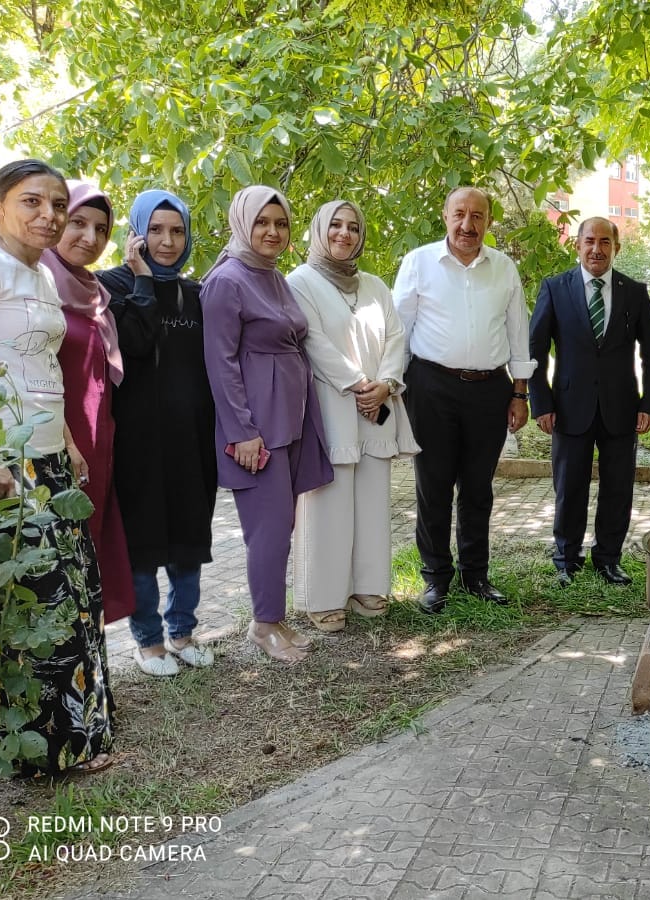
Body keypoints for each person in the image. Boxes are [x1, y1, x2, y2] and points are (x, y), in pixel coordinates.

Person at [0, 159, 113, 774]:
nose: (50, 216)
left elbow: (41, 368)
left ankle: (78, 739)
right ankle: (40, 755)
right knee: (34, 608)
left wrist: (66, 438)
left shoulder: (39, 274)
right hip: (3, 464)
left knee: (73, 600)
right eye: (33, 202)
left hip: (47, 460)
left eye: (57, 205)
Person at [203, 185, 333, 662]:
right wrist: (242, 431)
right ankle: (263, 624)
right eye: (262, 222)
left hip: (291, 419)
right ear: (242, 223)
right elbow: (220, 363)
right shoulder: (227, 280)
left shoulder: (273, 277)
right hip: (257, 428)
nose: (272, 232)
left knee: (283, 525)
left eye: (280, 224)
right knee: (269, 528)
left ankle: (274, 616)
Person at [393, 187, 535, 611]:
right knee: (432, 486)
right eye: (460, 214)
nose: (467, 225)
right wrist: (395, 388)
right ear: (445, 215)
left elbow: (518, 335)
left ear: (489, 221)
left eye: (477, 216)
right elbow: (398, 330)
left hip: (490, 390)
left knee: (478, 489)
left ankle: (476, 575)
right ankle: (436, 578)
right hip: (430, 386)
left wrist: (519, 393)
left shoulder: (504, 268)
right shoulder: (419, 262)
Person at [99, 189, 218, 676]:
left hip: (191, 439)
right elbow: (132, 344)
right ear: (137, 233)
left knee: (189, 537)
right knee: (143, 544)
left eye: (177, 231)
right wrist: (144, 282)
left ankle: (183, 631)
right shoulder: (111, 285)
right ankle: (148, 641)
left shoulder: (197, 294)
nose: (167, 241)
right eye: (156, 230)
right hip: (137, 443)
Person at [288, 200, 419, 631]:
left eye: (353, 227)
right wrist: (359, 383)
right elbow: (313, 340)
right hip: (331, 405)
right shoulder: (300, 282)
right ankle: (323, 597)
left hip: (376, 407)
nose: (344, 234)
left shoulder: (376, 286)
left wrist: (386, 384)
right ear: (320, 230)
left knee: (371, 501)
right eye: (336, 226)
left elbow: (397, 338)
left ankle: (367, 586)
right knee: (329, 502)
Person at [529, 217, 650, 586]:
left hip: (622, 409)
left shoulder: (634, 292)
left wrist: (649, 404)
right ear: (577, 245)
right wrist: (541, 403)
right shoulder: (555, 288)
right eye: (590, 241)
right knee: (569, 487)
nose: (597, 249)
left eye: (605, 242)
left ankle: (608, 558)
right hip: (569, 408)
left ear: (616, 248)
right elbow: (535, 350)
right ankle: (566, 559)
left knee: (618, 488)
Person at [39, 181, 135, 627]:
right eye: (78, 222)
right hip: (55, 446)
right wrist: (67, 442)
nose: (90, 238)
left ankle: (86, 676)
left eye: (101, 228)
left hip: (98, 447)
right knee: (53, 567)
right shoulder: (35, 284)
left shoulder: (93, 294)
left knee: (87, 559)